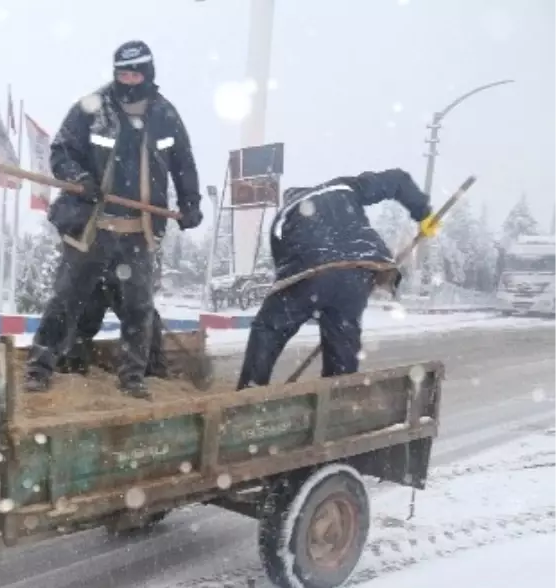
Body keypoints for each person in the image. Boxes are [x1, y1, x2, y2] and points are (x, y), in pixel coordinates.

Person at [25, 40, 202, 399]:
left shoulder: (165, 116)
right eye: (122, 73)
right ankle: (39, 368)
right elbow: (61, 151)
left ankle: (132, 377)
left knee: (138, 308)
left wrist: (191, 203)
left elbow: (183, 164)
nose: (128, 80)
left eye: (135, 73)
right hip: (92, 228)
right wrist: (79, 179)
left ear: (148, 74)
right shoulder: (94, 108)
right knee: (66, 300)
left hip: (139, 232)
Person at [235, 169, 439, 389]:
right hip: (361, 267)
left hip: (311, 271)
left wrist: (305, 299)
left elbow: (283, 268)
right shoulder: (342, 187)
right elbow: (398, 179)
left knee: (269, 328)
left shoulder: (284, 215)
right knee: (342, 338)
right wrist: (424, 213)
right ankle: (338, 398)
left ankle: (250, 392)